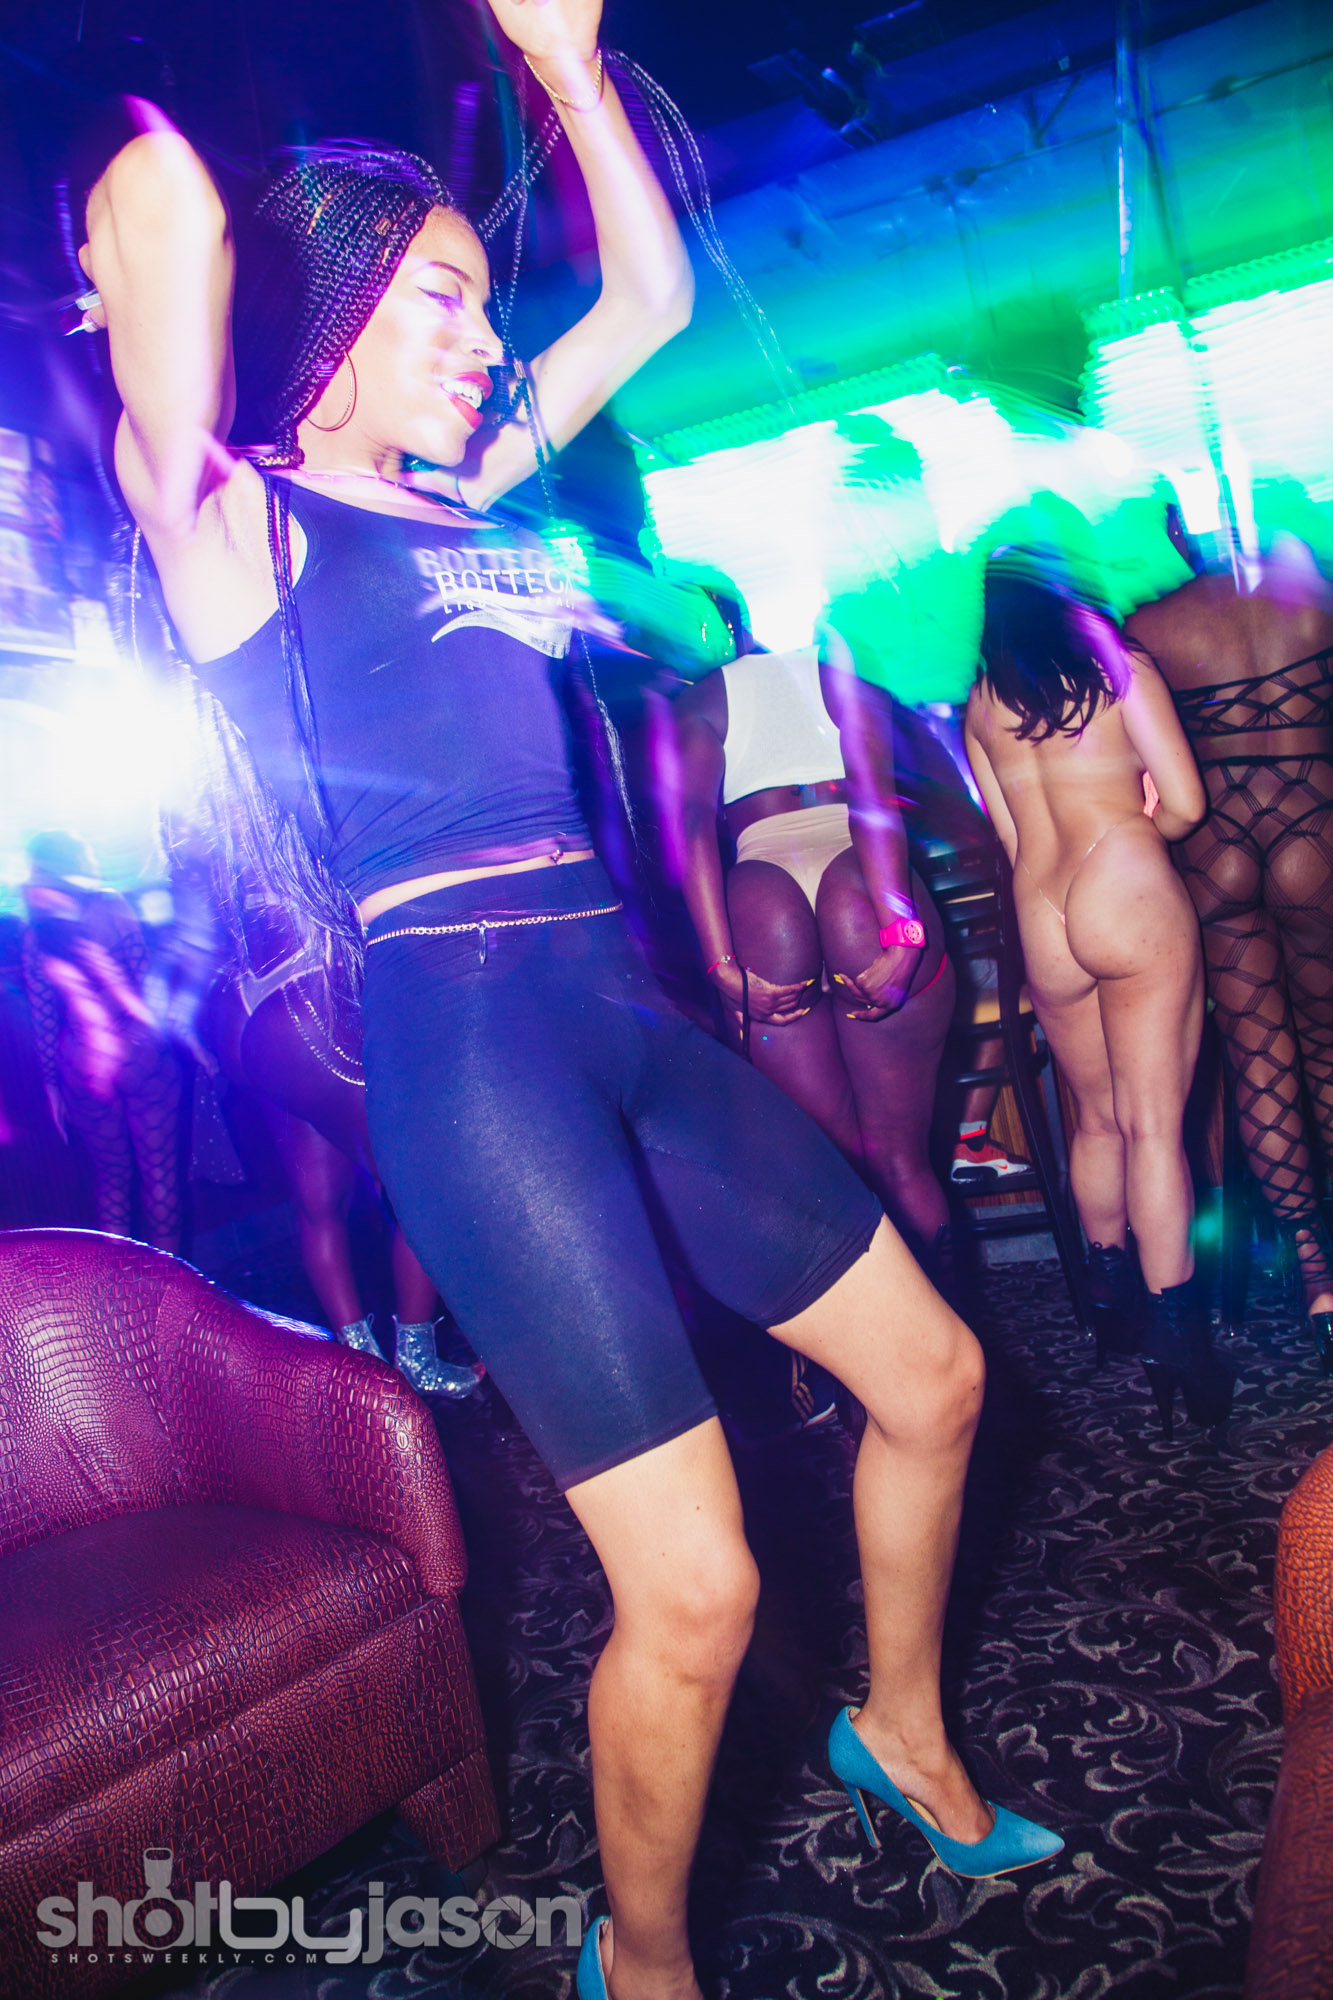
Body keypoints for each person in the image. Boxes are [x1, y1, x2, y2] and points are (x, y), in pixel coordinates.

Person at [76, 9, 1061, 1992]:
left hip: (624, 1007)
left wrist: (566, 67)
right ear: (334, 314)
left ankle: (902, 1734)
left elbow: (650, 299)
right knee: (692, 1589)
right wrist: (161, 205)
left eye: (475, 297)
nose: (480, 337)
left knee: (938, 1383)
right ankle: (645, 1961)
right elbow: (159, 289)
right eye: (438, 301)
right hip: (471, 1056)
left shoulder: (479, 488)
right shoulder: (248, 526)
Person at [963, 554, 1217, 1433]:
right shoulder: (1117, 665)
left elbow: (1008, 834)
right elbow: (1185, 804)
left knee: (1096, 1122)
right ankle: (1175, 1334)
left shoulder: (980, 701)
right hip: (1125, 885)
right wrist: (1143, 816)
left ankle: (1108, 1302)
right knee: (1153, 1128)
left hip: (1041, 907)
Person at [672, 616, 955, 1272]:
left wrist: (719, 963)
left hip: (760, 893)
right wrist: (901, 930)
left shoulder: (703, 697)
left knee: (835, 1172)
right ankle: (949, 1324)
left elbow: (690, 826)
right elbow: (872, 798)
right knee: (902, 1161)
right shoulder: (847, 675)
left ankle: (866, 1335)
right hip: (862, 879)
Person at [1126, 523, 1333, 1369]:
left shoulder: (1148, 622)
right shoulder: (1310, 584)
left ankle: (1317, 1281)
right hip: (1315, 832)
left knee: (1260, 1064)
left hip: (1216, 849)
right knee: (1329, 1045)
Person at [201, 891, 480, 1396]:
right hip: (311, 990)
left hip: (243, 1002)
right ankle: (416, 1361)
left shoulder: (228, 864)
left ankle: (362, 1367)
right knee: (420, 1195)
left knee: (317, 1207)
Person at [20, 830, 183, 1251]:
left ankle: (118, 1286)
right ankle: (171, 1284)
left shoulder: (37, 932)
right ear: (80, 862)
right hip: (136, 1051)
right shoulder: (111, 905)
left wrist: (53, 1087)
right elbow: (144, 978)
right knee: (160, 1176)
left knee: (111, 1182)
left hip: (81, 1062)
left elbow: (44, 1020)